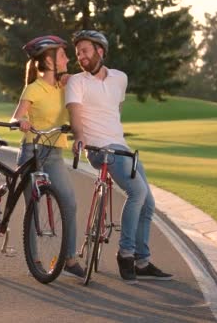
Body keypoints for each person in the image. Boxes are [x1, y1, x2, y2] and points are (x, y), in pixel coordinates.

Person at [65, 30, 173, 283]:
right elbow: (75, 113)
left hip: (121, 148)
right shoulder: (77, 81)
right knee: (138, 193)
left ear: (100, 51)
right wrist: (80, 136)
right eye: (78, 52)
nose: (80, 56)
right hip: (99, 149)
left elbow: (116, 110)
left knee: (148, 203)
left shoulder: (119, 79)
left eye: (85, 51)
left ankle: (142, 261)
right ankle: (126, 255)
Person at [11, 35, 85, 278]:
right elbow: (17, 115)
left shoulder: (65, 85)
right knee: (34, 206)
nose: (68, 58)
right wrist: (21, 121)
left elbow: (88, 84)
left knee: (69, 202)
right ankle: (35, 259)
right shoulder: (33, 88)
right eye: (62, 54)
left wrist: (70, 79)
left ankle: (70, 259)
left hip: (53, 153)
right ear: (48, 60)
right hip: (32, 151)